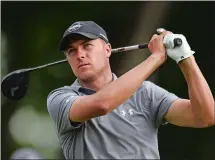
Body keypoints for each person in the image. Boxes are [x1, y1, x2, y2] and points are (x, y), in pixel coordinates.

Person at [47, 21, 214, 159]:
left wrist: (185, 57)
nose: (80, 55)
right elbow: (102, 104)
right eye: (71, 51)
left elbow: (205, 116)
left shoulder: (146, 93)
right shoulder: (60, 98)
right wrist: (156, 58)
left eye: (87, 45)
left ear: (107, 50)